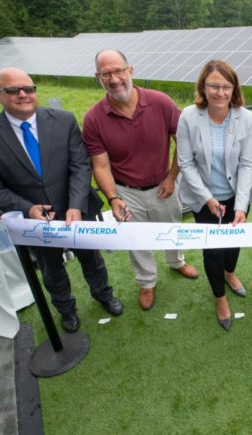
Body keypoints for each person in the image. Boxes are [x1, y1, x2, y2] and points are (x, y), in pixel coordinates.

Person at [0, 67, 123, 333]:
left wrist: (75, 205)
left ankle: (104, 295)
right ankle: (66, 310)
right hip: (34, 220)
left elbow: (80, 165)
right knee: (51, 269)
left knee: (92, 259)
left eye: (28, 89)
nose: (22, 94)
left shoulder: (63, 120)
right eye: (12, 90)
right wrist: (27, 208)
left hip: (77, 208)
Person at [83, 49, 198, 312]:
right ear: (98, 77)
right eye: (106, 74)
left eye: (118, 71)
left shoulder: (160, 102)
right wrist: (113, 197)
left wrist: (171, 177)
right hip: (125, 191)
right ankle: (147, 282)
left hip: (163, 184)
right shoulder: (93, 119)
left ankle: (177, 261)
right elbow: (100, 165)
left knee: (172, 228)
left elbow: (183, 141)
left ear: (130, 71)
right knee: (135, 240)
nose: (114, 79)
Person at [176, 60, 252, 331]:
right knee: (213, 250)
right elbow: (185, 163)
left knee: (233, 244)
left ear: (234, 89)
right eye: (213, 85)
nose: (220, 92)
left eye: (226, 86)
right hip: (203, 198)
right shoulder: (188, 116)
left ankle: (230, 274)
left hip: (236, 195)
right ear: (203, 86)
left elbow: (247, 164)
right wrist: (207, 198)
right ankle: (220, 298)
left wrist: (242, 205)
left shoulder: (246, 118)